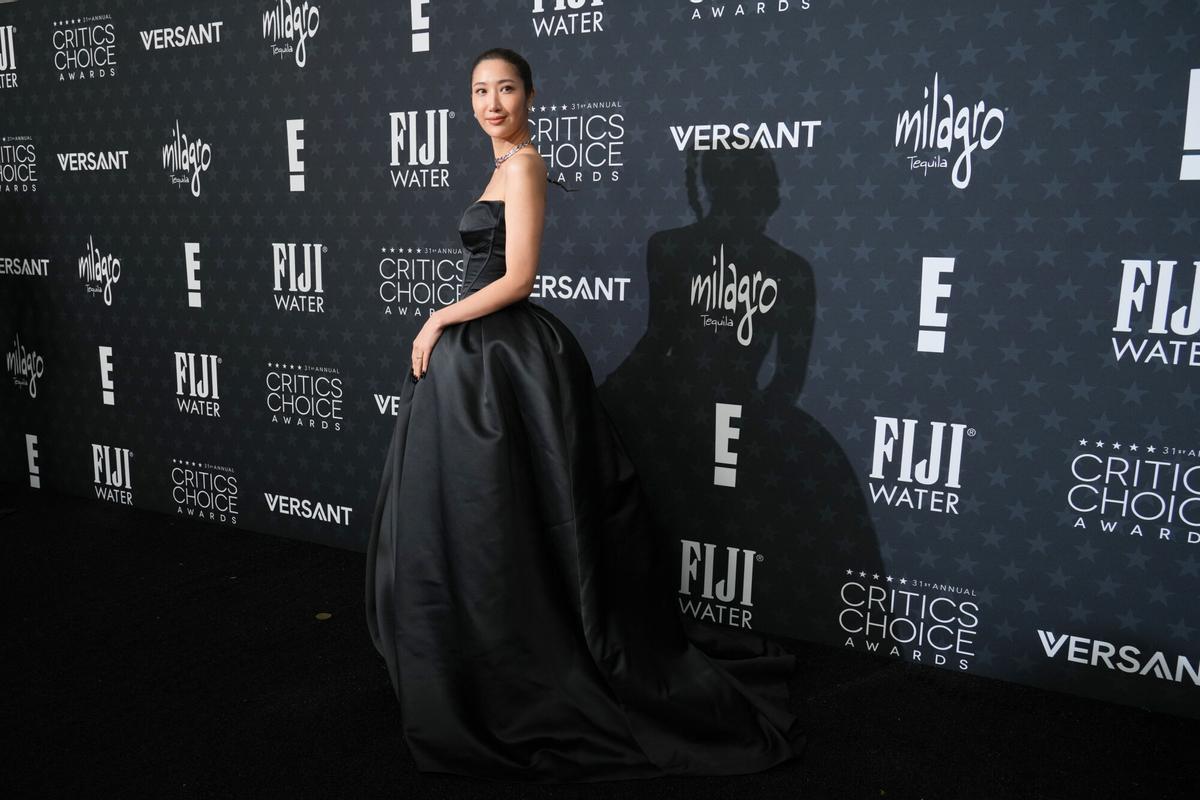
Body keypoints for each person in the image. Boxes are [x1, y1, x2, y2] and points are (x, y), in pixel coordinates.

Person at [365, 46, 806, 783]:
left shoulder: (527, 166)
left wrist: (435, 319)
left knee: (517, 517)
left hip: (505, 359)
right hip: (477, 365)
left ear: (531, 95)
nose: (493, 102)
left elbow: (518, 275)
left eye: (506, 88)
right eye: (480, 90)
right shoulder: (498, 166)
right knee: (479, 522)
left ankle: (528, 658)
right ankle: (477, 650)